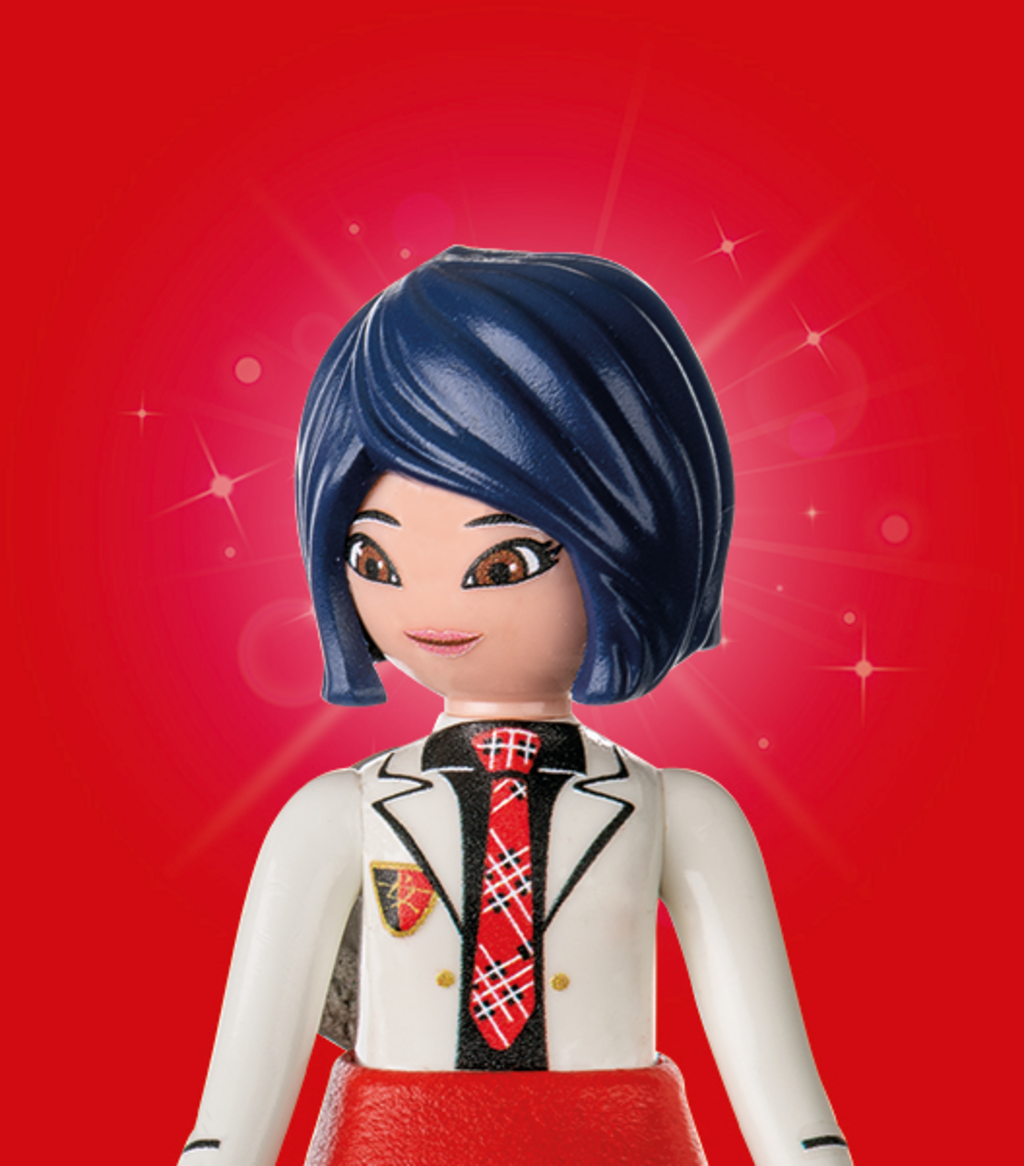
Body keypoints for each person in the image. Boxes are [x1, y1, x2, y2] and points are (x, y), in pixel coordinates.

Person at [179, 247, 852, 1165]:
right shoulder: (335, 816)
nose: (431, 605)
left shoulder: (680, 814)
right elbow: (241, 1092)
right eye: (375, 559)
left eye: (506, 562)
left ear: (637, 539)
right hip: (397, 1146)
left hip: (617, 1145)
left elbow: (774, 1079)